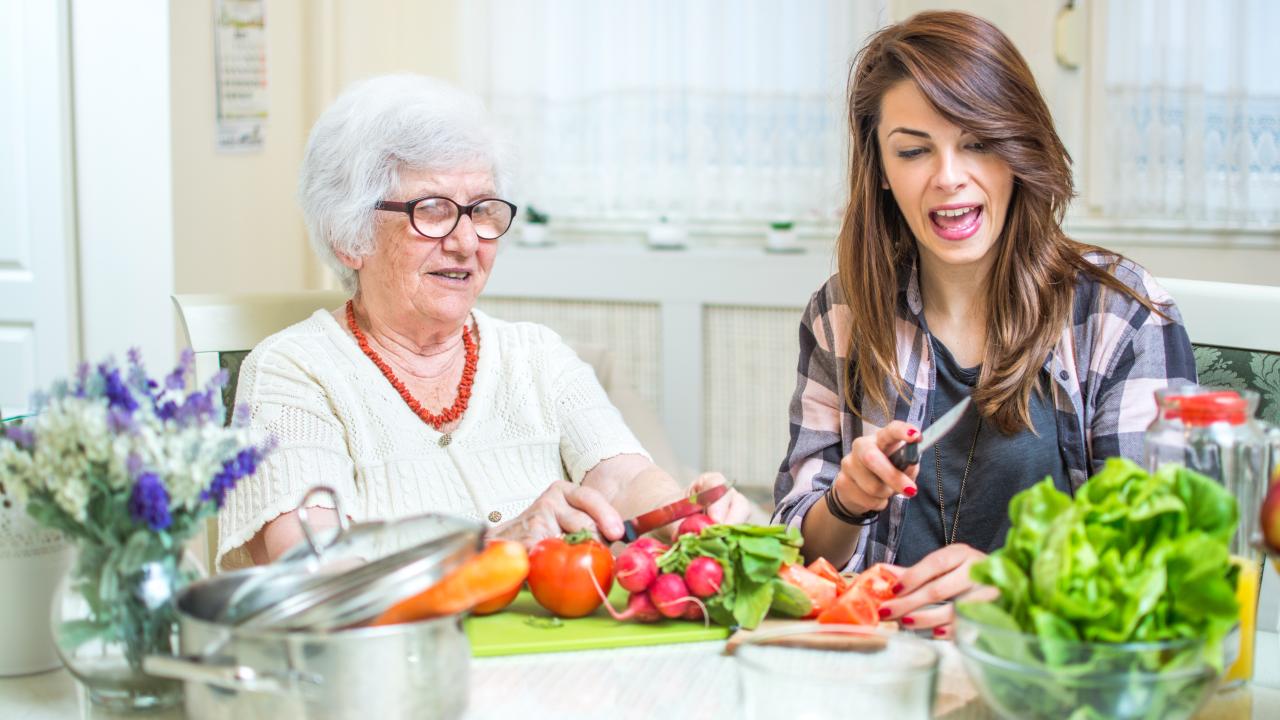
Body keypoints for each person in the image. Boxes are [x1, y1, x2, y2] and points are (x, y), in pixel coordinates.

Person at [772, 12, 1196, 636]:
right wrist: (847, 501)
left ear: (1018, 148)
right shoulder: (842, 315)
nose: (948, 176)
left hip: (1048, 675)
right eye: (914, 151)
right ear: (882, 172)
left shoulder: (1120, 317)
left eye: (977, 142)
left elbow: (1159, 558)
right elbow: (798, 553)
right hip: (883, 670)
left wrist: (1014, 584)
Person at [217, 74, 749, 570]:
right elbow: (312, 564)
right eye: (431, 209)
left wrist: (687, 518)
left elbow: (623, 479)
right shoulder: (292, 373)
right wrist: (489, 549)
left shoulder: (536, 356)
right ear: (350, 236)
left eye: (482, 210)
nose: (467, 242)